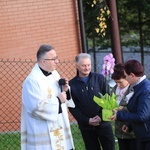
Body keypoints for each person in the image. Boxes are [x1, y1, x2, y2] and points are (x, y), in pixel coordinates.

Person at [21, 44, 75, 150]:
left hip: (59, 126)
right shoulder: (32, 81)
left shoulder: (54, 74)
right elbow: (35, 108)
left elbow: (62, 96)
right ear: (43, 61)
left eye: (57, 58)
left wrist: (65, 90)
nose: (57, 61)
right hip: (42, 132)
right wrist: (58, 100)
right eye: (54, 59)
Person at [69, 53, 115, 150]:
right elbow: (73, 107)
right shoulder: (71, 85)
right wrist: (87, 120)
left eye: (88, 65)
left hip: (104, 125)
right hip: (86, 127)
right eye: (83, 65)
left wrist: (100, 116)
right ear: (76, 66)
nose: (87, 68)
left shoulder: (100, 79)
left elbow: (109, 99)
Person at [110, 60, 150, 150]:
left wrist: (119, 115)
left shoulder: (145, 90)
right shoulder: (138, 86)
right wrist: (130, 125)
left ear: (132, 75)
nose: (126, 78)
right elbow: (137, 109)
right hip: (142, 134)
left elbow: (142, 115)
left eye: (126, 76)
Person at [111, 63, 139, 150]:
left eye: (120, 82)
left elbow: (138, 110)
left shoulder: (134, 91)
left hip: (132, 133)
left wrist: (123, 109)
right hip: (120, 132)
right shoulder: (114, 90)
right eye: (116, 82)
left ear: (127, 78)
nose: (118, 85)